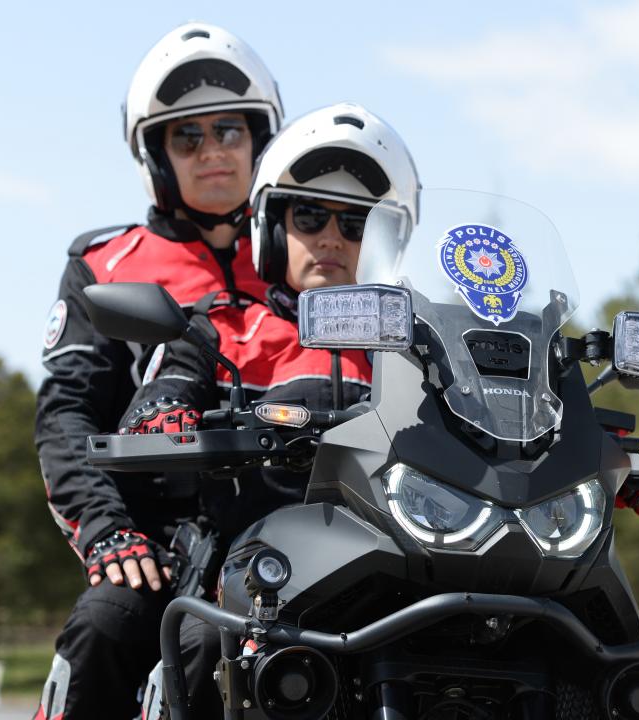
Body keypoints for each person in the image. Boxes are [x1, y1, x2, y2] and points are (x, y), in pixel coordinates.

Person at [118, 103, 420, 718]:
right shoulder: (219, 328)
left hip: (407, 563)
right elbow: (167, 388)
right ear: (272, 228)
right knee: (204, 645)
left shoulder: (424, 347)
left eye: (357, 223)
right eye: (309, 216)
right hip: (258, 568)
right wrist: (166, 413)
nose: (331, 238)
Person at [33, 22, 282, 720]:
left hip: (288, 524)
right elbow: (66, 414)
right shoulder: (105, 264)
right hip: (158, 535)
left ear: (261, 139)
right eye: (187, 137)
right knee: (104, 628)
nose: (213, 151)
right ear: (156, 155)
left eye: (229, 130)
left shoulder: (309, 257)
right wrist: (107, 531)